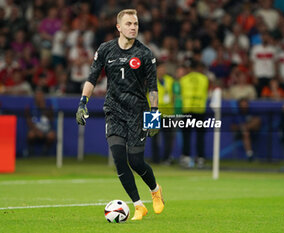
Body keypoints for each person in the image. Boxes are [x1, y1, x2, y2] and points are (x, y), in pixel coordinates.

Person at [75, 9, 164, 221]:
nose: (133, 27)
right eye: (129, 24)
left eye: (136, 24)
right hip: (114, 110)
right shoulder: (106, 49)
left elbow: (152, 87)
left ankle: (155, 190)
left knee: (136, 161)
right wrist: (82, 103)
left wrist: (154, 116)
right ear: (119, 27)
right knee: (119, 159)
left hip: (137, 112)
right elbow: (92, 77)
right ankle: (138, 206)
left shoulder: (145, 54)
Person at [151, 62, 175, 164]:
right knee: (153, 137)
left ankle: (166, 158)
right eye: (160, 68)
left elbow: (174, 94)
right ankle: (155, 159)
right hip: (152, 113)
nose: (163, 70)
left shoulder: (170, 80)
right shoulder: (149, 80)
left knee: (169, 137)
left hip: (168, 112)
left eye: (164, 68)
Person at [25, 88, 56, 156]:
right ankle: (30, 151)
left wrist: (43, 107)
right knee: (31, 135)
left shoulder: (48, 104)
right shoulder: (30, 105)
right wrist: (36, 131)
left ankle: (45, 152)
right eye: (37, 95)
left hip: (46, 129)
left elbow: (51, 118)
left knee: (51, 135)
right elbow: (28, 120)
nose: (39, 96)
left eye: (40, 95)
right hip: (35, 129)